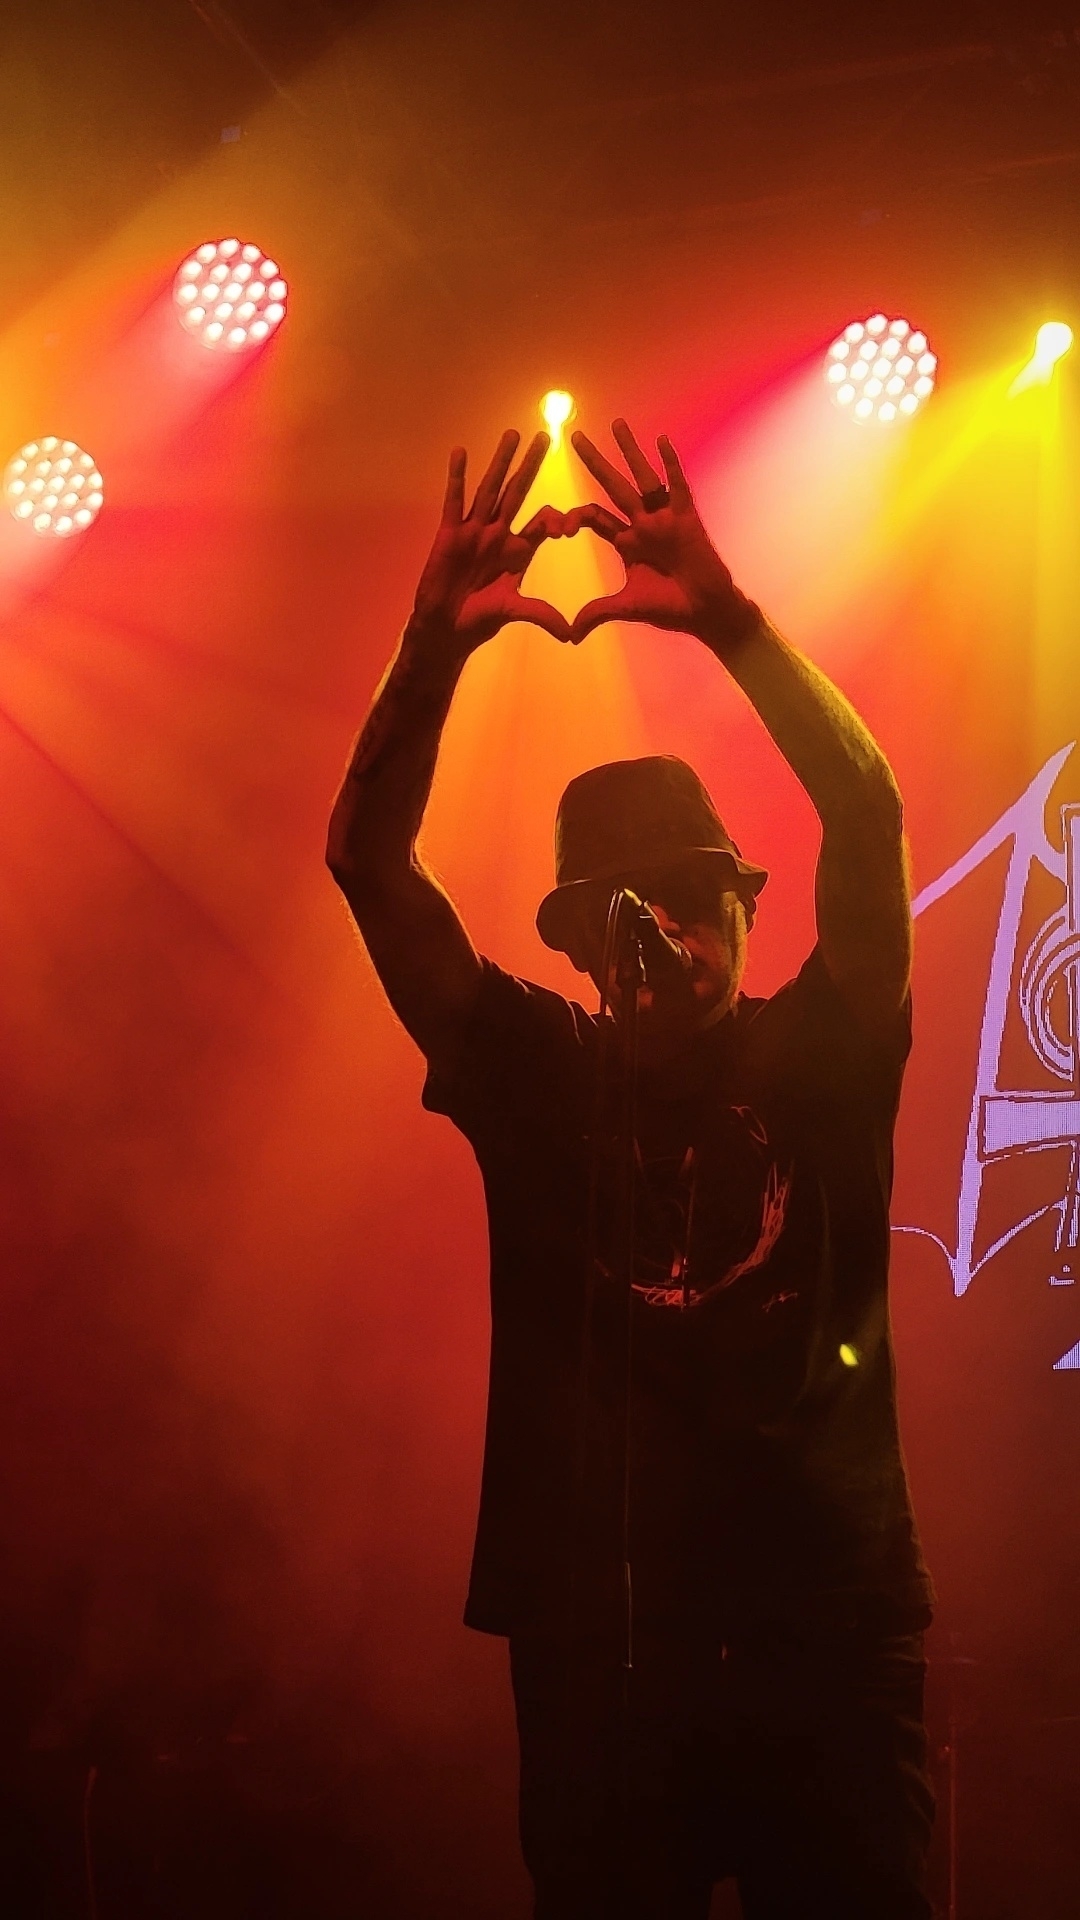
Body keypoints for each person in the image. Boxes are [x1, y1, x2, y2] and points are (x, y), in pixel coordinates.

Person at [326, 419, 934, 1919]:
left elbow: (867, 812)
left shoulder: (829, 1045)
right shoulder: (538, 1074)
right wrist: (430, 648)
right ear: (577, 948)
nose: (658, 932)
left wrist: (730, 619)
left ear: (738, 904)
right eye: (618, 912)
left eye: (683, 896)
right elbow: (368, 864)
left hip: (829, 1642)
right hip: (603, 1654)